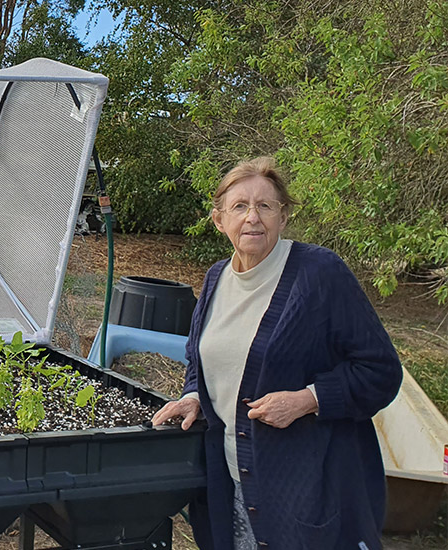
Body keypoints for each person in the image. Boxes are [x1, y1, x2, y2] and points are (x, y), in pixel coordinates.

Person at [151, 157, 402, 550]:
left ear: (283, 217)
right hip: (233, 483)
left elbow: (381, 371)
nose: (252, 217)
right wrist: (194, 395)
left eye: (265, 206)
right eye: (239, 206)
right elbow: (200, 360)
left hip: (307, 495)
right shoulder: (217, 278)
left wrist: (307, 400)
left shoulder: (320, 274)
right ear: (219, 220)